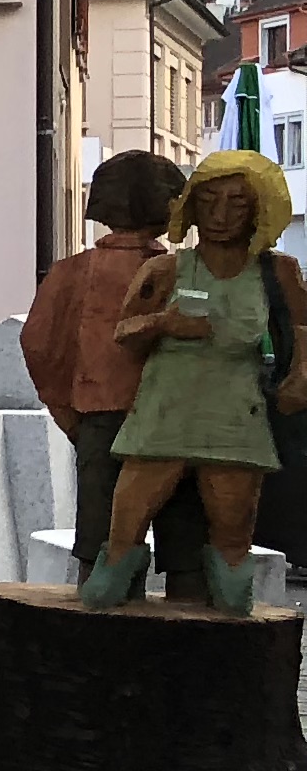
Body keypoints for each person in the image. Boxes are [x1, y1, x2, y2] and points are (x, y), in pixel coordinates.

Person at [86, 150, 307, 612]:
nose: (220, 215)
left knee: (233, 540)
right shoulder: (166, 269)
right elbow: (124, 331)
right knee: (123, 532)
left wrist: (300, 377)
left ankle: (233, 628)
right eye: (208, 201)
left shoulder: (278, 272)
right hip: (164, 411)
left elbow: (304, 328)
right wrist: (163, 323)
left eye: (237, 203)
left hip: (235, 415)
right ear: (190, 208)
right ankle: (104, 608)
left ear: (259, 210)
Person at [25, 152, 203, 596]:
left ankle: (102, 622)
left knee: (102, 547)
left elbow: (40, 345)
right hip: (176, 419)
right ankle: (191, 625)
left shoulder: (72, 271)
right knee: (186, 545)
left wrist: (70, 413)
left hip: (100, 417)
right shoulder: (188, 273)